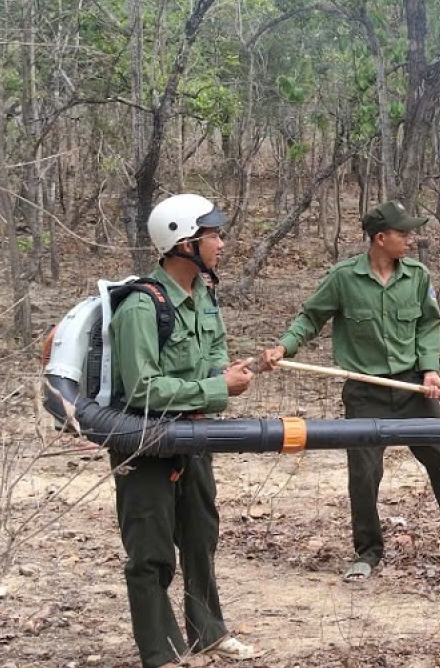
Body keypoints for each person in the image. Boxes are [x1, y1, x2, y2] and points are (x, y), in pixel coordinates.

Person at [259, 201, 440, 580]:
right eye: (403, 233)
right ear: (380, 238)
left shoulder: (418, 276)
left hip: (412, 389)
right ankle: (368, 552)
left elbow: (428, 325)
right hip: (365, 392)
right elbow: (311, 317)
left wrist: (430, 371)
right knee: (364, 474)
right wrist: (284, 346)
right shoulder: (344, 278)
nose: (412, 239)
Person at [108, 194, 260, 667]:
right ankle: (160, 652)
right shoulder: (140, 306)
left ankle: (208, 632)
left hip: (195, 440)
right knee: (150, 552)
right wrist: (217, 387)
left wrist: (227, 375)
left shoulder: (205, 298)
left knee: (200, 537)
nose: (220, 242)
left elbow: (213, 356)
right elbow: (143, 388)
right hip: (146, 445)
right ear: (183, 242)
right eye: (212, 234)